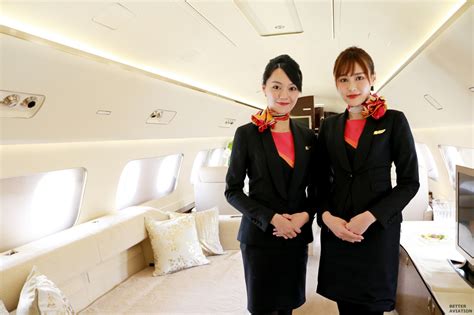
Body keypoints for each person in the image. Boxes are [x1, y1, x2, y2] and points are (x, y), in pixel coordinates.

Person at [315, 46, 420, 315]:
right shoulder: (329, 126)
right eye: (344, 79)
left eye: (359, 77)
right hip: (338, 231)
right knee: (345, 308)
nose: (352, 86)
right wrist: (327, 218)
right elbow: (319, 181)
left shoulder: (394, 121)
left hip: (376, 233)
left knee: (371, 308)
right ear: (336, 82)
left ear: (373, 77)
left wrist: (371, 216)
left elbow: (410, 182)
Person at [225, 54, 317, 315]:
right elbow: (232, 190)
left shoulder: (308, 137)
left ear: (298, 92)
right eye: (276, 86)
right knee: (263, 309)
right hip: (260, 238)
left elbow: (318, 189)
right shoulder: (246, 134)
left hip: (295, 239)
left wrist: (304, 216)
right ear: (264, 87)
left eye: (292, 88)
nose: (283, 95)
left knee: (287, 309)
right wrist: (271, 218)